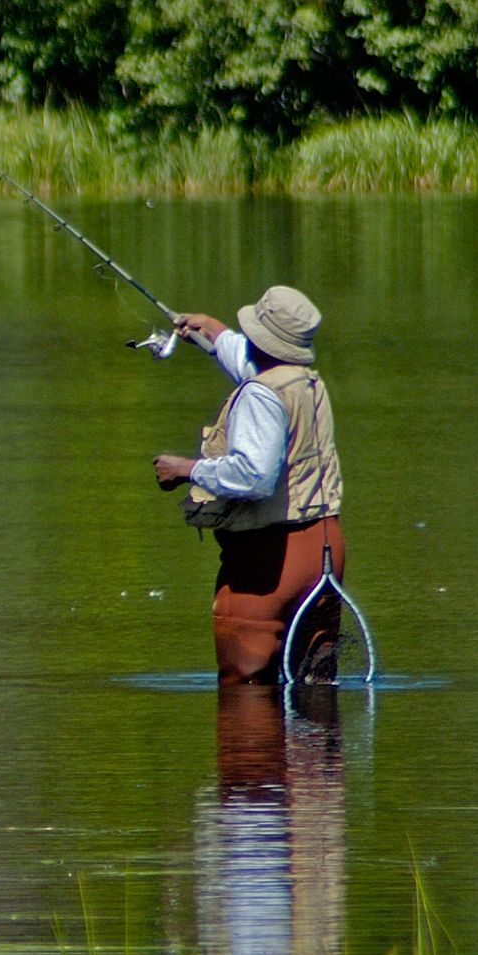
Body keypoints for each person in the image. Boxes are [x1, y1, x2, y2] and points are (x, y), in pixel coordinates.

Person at [152, 286, 345, 686]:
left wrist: (187, 469)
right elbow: (255, 366)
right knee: (316, 695)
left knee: (247, 696)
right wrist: (214, 333)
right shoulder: (305, 382)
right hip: (324, 550)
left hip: (269, 560)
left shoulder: (261, 395)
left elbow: (254, 476)